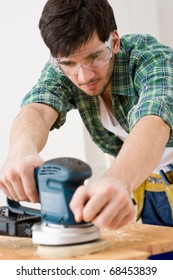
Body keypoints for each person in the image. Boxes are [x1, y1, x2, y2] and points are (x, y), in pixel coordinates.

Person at [0, 0, 173, 229]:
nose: (83, 77)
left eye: (94, 57)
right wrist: (20, 151)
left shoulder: (152, 59)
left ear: (114, 41)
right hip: (147, 184)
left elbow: (154, 121)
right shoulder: (64, 64)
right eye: (69, 63)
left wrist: (117, 180)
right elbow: (38, 107)